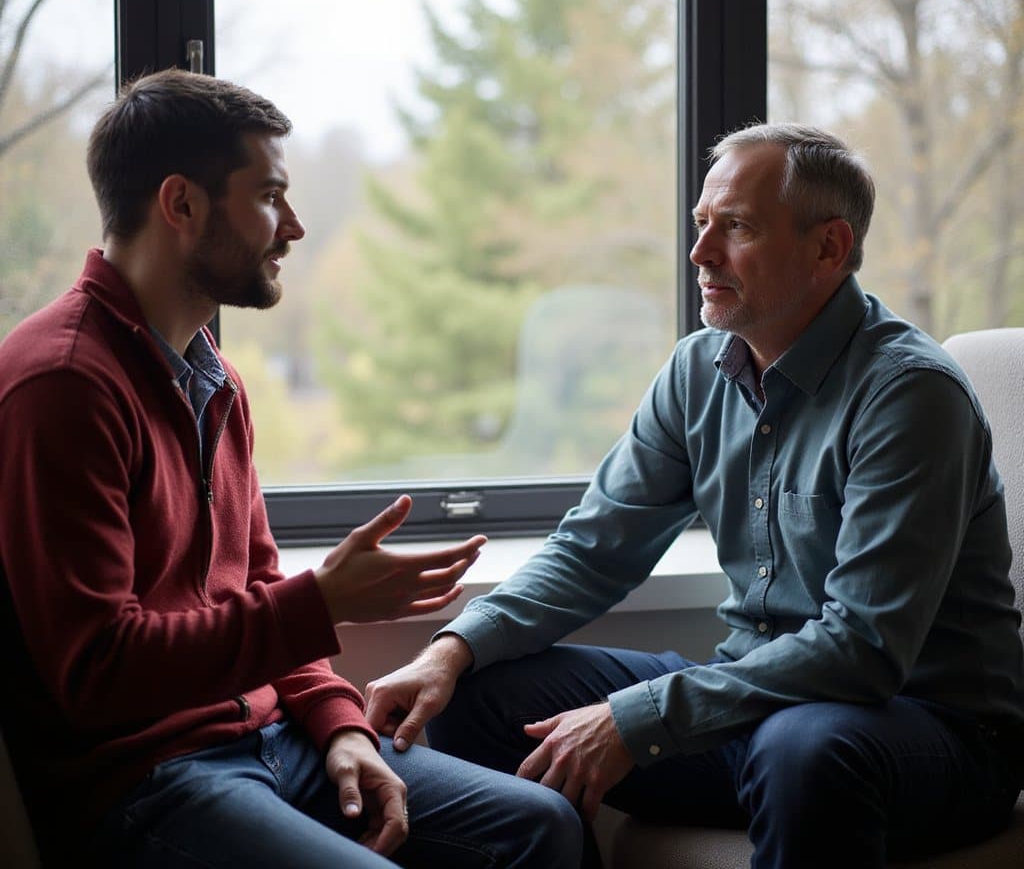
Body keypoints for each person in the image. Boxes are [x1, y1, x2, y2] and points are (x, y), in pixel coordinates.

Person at [364, 123, 1024, 869]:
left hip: (928, 734)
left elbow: (862, 652)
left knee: (802, 748)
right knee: (482, 697)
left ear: (829, 249)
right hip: (760, 710)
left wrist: (637, 718)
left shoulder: (909, 395)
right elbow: (592, 550)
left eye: (736, 227)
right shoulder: (697, 370)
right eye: (701, 224)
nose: (700, 254)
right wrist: (451, 650)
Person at [0, 68, 582, 869]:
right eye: (270, 195)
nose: (294, 226)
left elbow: (258, 589)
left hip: (272, 739)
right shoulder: (62, 384)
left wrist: (339, 725)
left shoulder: (215, 379)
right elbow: (96, 671)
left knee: (542, 823)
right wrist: (319, 604)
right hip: (147, 779)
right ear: (182, 205)